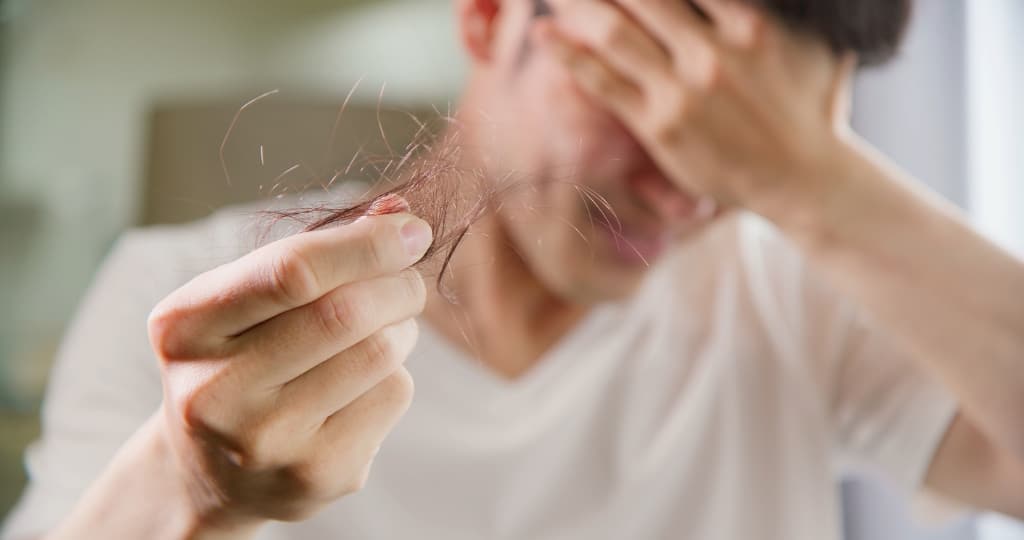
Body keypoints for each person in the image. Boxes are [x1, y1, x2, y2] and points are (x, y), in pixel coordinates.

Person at [4, 0, 1024, 539]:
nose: (685, 192)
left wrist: (819, 185)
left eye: (744, 144)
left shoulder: (800, 299)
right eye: (648, 96)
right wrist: (190, 491)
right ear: (490, 15)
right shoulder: (174, 295)